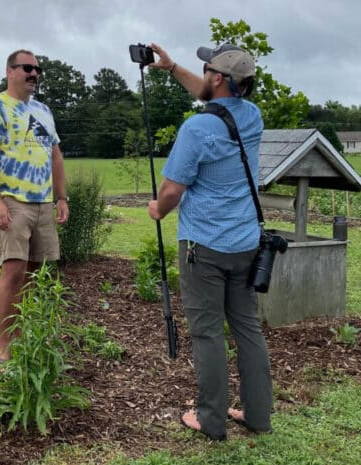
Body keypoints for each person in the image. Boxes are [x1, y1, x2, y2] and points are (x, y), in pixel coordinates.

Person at [147, 43, 273, 440]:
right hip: (245, 243)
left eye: (207, 69)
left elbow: (171, 190)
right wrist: (172, 68)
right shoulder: (252, 116)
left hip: (204, 246)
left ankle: (211, 419)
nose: (202, 74)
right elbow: (214, 100)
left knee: (206, 333)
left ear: (218, 77)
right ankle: (257, 416)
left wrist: (158, 210)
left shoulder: (196, 129)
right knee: (247, 329)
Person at [0, 49, 69, 372]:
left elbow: (55, 156)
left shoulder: (42, 111)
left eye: (38, 69)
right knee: (13, 272)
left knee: (38, 275)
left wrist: (61, 197)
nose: (34, 74)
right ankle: (3, 346)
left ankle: (27, 336)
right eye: (27, 68)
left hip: (43, 203)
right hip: (13, 201)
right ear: (10, 71)